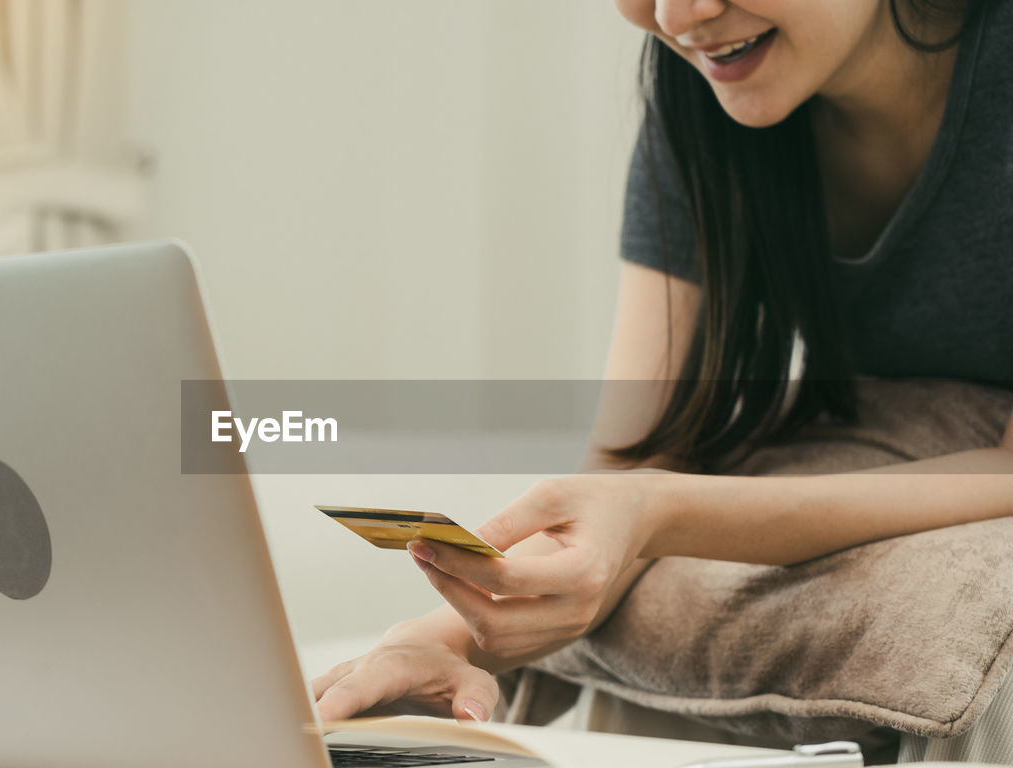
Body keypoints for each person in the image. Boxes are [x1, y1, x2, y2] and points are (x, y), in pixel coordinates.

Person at [312, 0, 1013, 730]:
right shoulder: (703, 96)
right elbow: (635, 457)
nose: (680, 14)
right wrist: (433, 642)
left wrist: (658, 511)